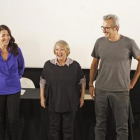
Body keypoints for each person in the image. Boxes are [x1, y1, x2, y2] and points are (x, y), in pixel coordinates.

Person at [89, 14, 140, 140]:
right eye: (103, 27)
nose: (104, 30)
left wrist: (133, 81)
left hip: (120, 91)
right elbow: (94, 63)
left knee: (122, 128)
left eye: (107, 28)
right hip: (101, 90)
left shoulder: (129, 43)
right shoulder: (99, 42)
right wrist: (91, 84)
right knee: (100, 126)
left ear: (116, 28)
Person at [40, 40, 85, 140]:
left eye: (61, 49)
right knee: (54, 129)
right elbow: (42, 80)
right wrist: (42, 97)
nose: (58, 52)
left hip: (70, 103)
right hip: (53, 102)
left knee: (68, 130)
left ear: (67, 51)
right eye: (56, 49)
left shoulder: (75, 65)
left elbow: (82, 80)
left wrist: (82, 97)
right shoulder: (48, 65)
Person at [0, 25, 25, 140]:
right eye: (3, 35)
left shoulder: (16, 50)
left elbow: (21, 66)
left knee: (13, 119)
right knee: (1, 120)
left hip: (14, 89)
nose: (6, 37)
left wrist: (16, 77)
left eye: (8, 35)